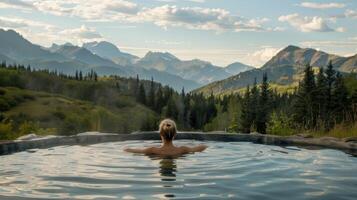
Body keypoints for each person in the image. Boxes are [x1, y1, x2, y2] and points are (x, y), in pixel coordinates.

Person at [124, 119, 207, 156]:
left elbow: (130, 150)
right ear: (175, 134)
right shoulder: (182, 149)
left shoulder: (152, 150)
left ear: (160, 134)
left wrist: (125, 149)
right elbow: (202, 147)